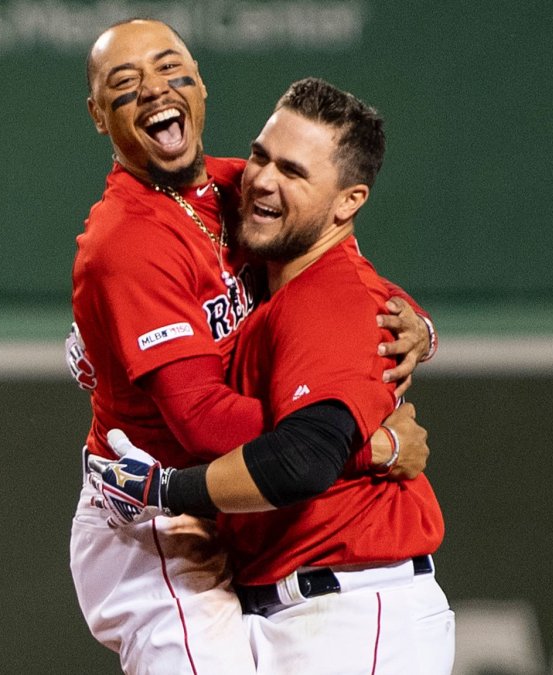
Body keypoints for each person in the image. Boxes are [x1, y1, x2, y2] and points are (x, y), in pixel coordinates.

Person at [72, 18, 436, 674]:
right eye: (125, 81)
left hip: (221, 506)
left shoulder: (235, 188)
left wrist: (418, 323)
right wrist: (361, 443)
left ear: (200, 85)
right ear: (99, 115)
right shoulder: (127, 241)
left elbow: (333, 260)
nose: (153, 88)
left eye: (170, 68)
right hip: (149, 514)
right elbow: (203, 421)